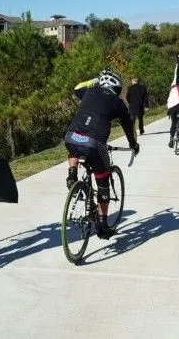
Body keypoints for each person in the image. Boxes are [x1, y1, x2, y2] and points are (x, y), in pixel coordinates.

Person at [64, 69, 139, 240]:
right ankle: (103, 226)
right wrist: (133, 144)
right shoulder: (118, 103)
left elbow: (77, 87)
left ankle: (72, 175)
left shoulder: (89, 92)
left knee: (74, 148)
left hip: (71, 137)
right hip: (94, 144)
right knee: (103, 180)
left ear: (101, 83)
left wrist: (95, 80)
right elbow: (128, 126)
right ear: (117, 88)